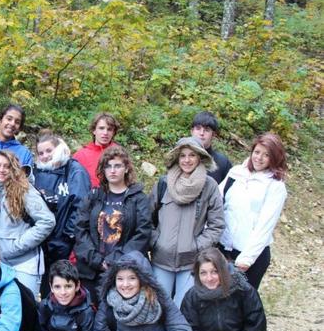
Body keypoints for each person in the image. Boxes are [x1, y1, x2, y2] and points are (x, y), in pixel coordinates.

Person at [149, 136, 225, 307]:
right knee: (158, 306)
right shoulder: (163, 183)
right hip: (161, 259)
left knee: (184, 308)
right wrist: (156, 241)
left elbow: (217, 224)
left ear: (200, 157)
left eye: (192, 155)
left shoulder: (209, 186)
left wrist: (197, 246)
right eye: (182, 155)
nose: (187, 160)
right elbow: (146, 218)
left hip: (191, 262)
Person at [73, 146, 151, 304]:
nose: (112, 170)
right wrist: (96, 259)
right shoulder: (94, 196)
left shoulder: (138, 198)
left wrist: (114, 260)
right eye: (108, 166)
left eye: (117, 166)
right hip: (91, 269)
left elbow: (143, 233)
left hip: (124, 271)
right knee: (90, 315)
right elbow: (80, 229)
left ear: (126, 168)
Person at [219, 132, 288, 290]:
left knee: (242, 306)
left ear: (275, 158)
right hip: (224, 248)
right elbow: (217, 203)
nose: (259, 158)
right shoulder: (236, 173)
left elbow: (265, 225)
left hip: (251, 255)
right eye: (257, 152)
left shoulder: (275, 186)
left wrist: (246, 259)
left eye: (266, 155)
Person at [0, 150, 55, 297]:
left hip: (25, 263)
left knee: (26, 310)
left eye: (6, 166)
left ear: (13, 169)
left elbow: (47, 221)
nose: (1, 170)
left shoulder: (24, 189)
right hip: (1, 264)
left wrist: (17, 246)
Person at [32, 130, 91, 294]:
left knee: (63, 286)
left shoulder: (74, 170)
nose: (45, 156)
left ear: (58, 148)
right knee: (46, 287)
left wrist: (68, 235)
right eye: (41, 153)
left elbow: (81, 205)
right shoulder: (38, 172)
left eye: (49, 151)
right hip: (42, 240)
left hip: (64, 241)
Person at [73, 112, 120, 187]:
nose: (105, 133)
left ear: (113, 132)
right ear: (94, 130)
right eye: (101, 128)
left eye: (109, 129)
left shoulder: (119, 153)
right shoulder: (81, 155)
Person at [190, 111, 232, 185]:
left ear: (213, 134)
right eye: (198, 128)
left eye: (206, 130)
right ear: (192, 131)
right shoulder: (181, 158)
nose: (201, 133)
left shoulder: (222, 163)